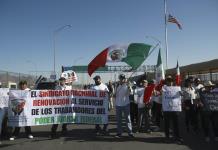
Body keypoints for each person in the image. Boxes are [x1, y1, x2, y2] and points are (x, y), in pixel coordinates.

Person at [162, 76, 183, 143]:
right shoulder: (163, 88)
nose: (170, 82)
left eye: (171, 81)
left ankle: (178, 137)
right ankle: (167, 137)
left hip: (175, 108)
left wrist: (181, 93)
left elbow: (181, 96)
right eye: (168, 81)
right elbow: (158, 93)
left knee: (176, 124)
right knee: (167, 124)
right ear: (166, 81)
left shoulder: (177, 88)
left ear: (173, 82)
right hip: (167, 109)